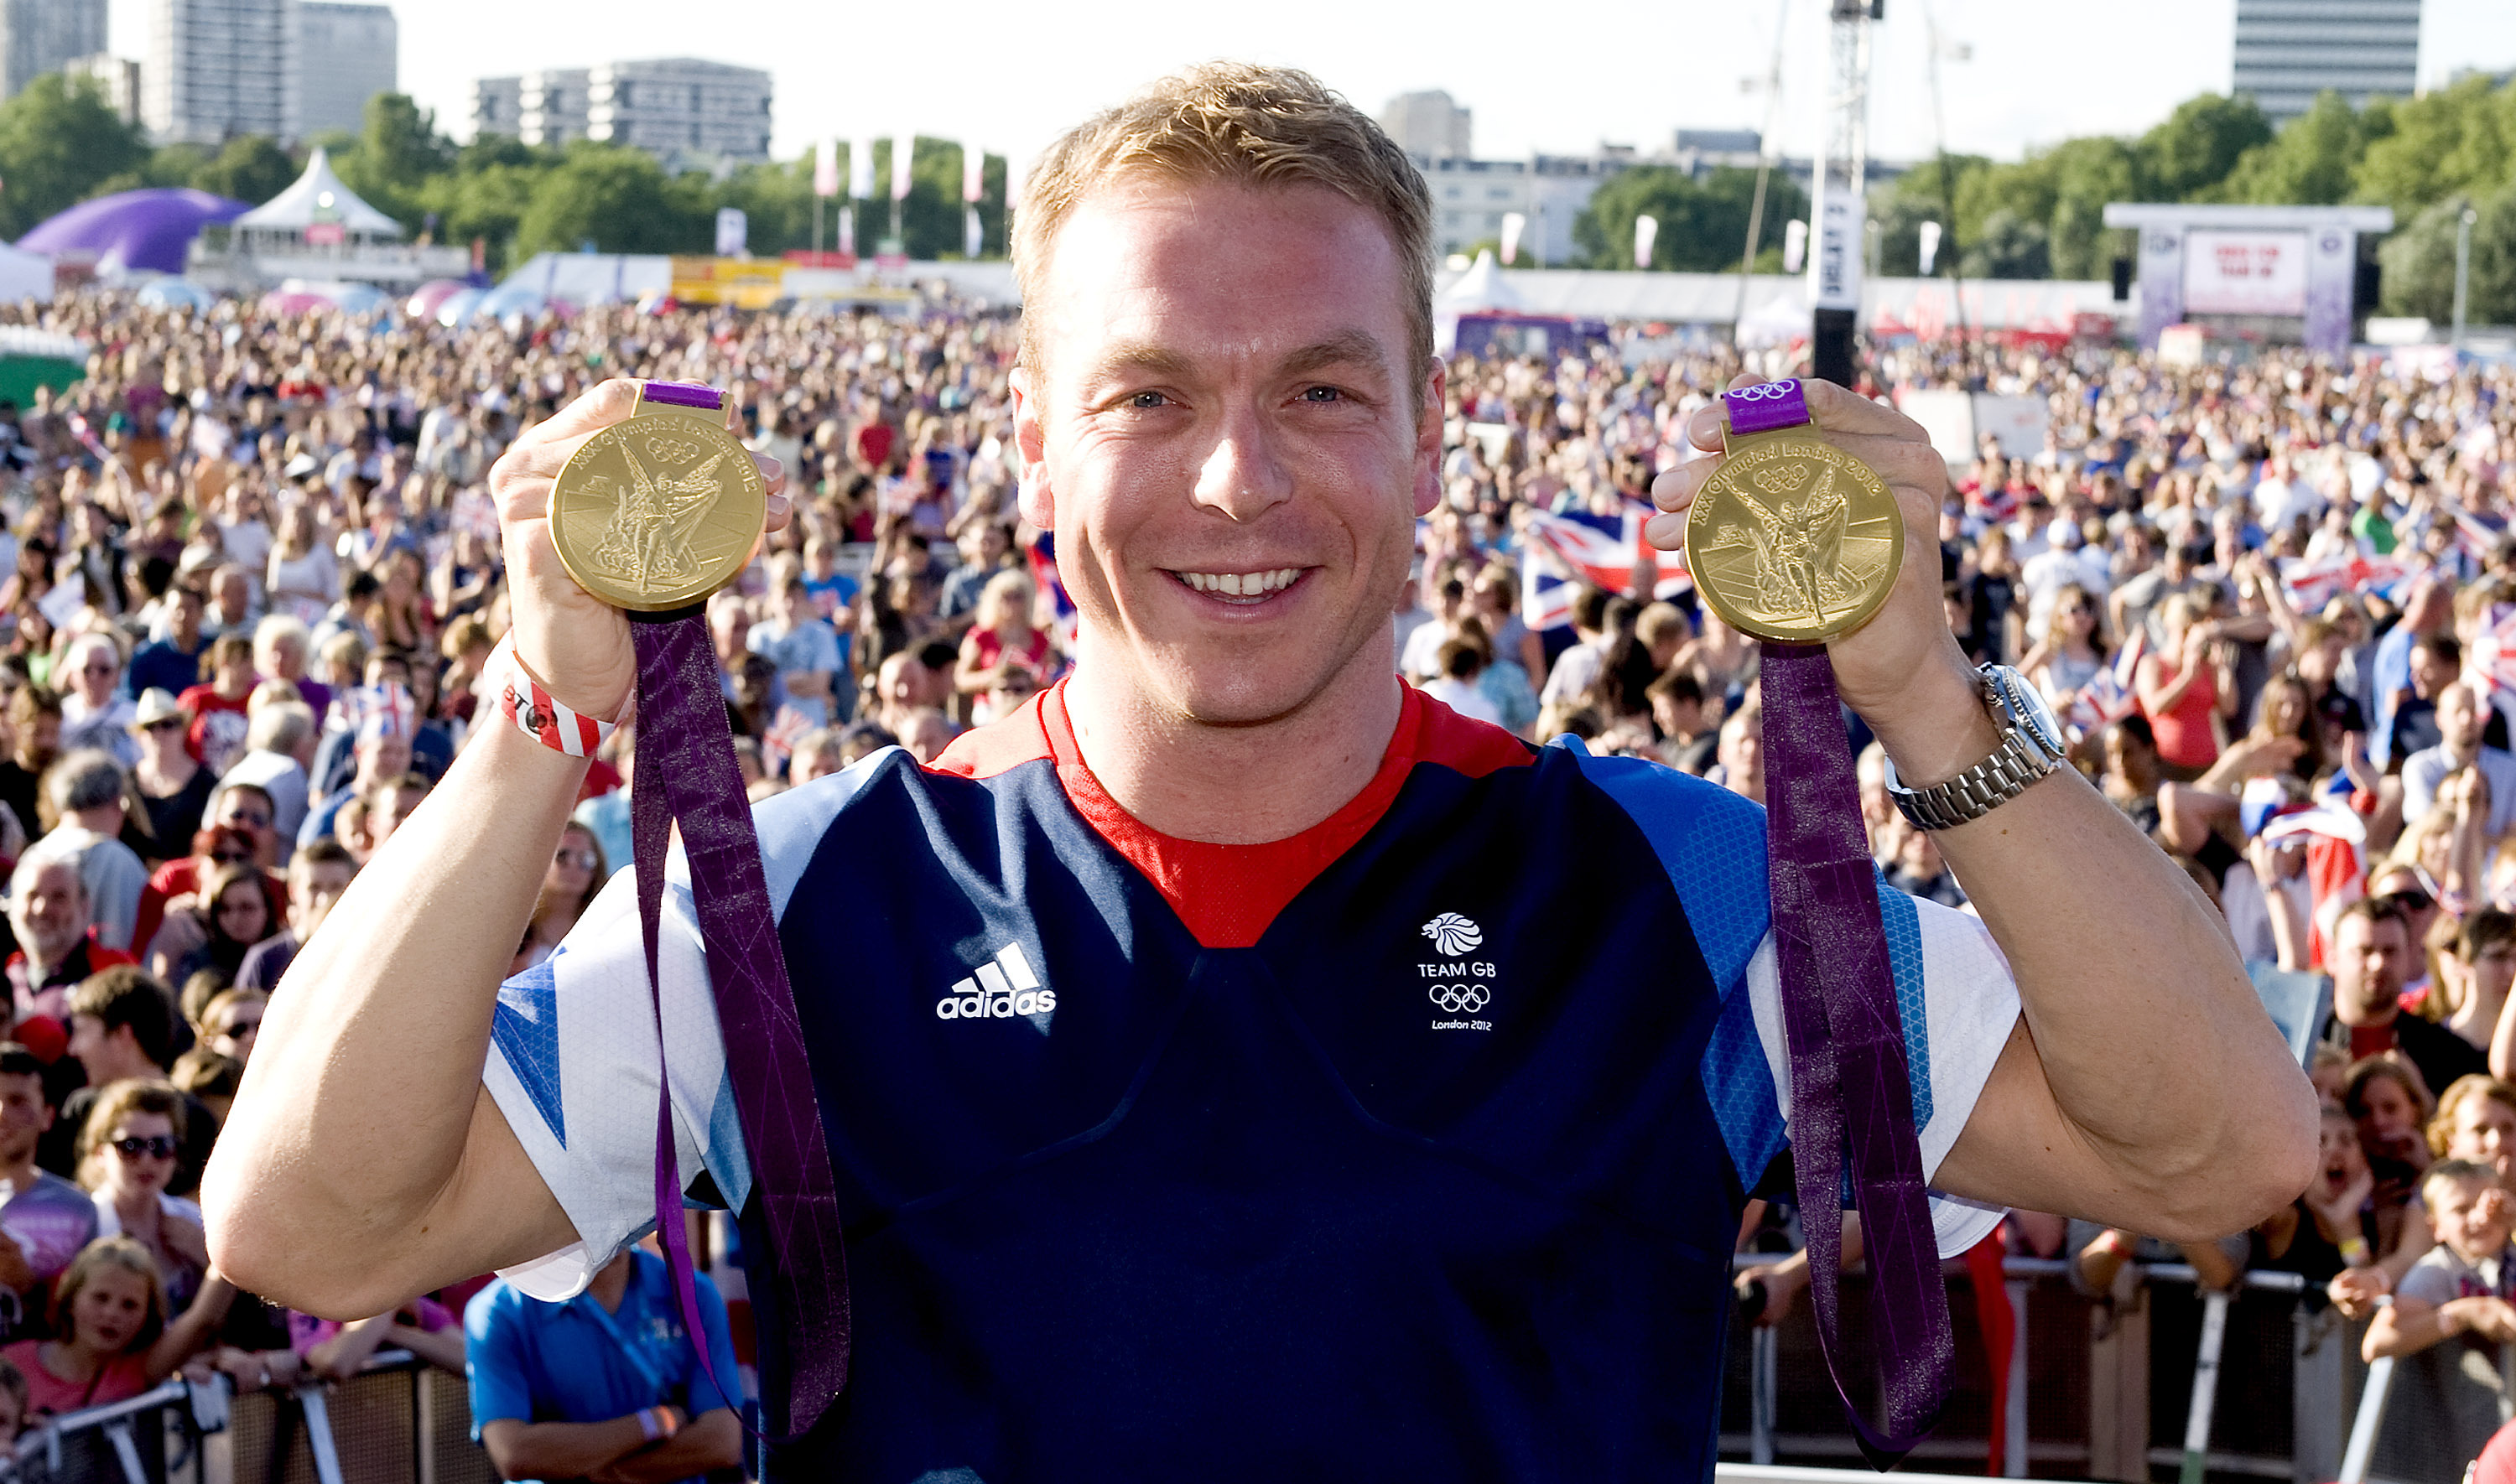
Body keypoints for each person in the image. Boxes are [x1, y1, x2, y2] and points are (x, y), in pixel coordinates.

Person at [212, 65, 2313, 1477]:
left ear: (1425, 430)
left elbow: (2213, 1152)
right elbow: (307, 1218)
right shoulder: (802, 897)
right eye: (1148, 392)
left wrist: (1928, 695)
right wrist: (527, 719)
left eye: (1319, 385)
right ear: (1031, 441)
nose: (1237, 476)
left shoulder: (1677, 886)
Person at [464, 1246, 744, 1484]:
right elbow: (515, 1453)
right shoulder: (497, 1311)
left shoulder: (693, 1292)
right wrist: (657, 1421)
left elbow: (722, 1442)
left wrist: (603, 1473)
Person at [2363, 1160, 2516, 1466]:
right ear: (2436, 1227)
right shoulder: (2439, 1269)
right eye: (2461, 1209)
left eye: (2488, 1205)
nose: (2479, 1218)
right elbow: (2377, 1343)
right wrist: (2463, 1314)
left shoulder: (2511, 1252)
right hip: (2472, 1436)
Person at [0, 1235, 231, 1419]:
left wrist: (236, 1242)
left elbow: (203, 1320)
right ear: (70, 1299)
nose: (112, 1314)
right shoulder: (11, 1362)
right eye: (100, 1298)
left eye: (130, 1305)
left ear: (146, 1317)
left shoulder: (143, 1366)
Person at [46, 973, 216, 1196]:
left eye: (81, 1031)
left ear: (122, 1034)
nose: (73, 1049)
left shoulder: (197, 1121)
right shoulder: (80, 1110)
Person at [2324, 898, 2486, 1104]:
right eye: (2364, 951)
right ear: (2333, 960)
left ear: (2408, 958)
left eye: (2390, 951)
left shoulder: (2447, 1053)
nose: (2378, 963)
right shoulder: (2303, 1045)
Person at [0, 1045, 99, 1331]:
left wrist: (30, 1286)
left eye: (18, 1101)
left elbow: (85, 1323)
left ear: (47, 1116)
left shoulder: (78, 1209)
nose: (3, 1112)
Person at [6, 842, 137, 1031]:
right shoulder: (10, 974)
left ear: (84, 907)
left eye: (59, 897)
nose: (42, 908)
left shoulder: (115, 974)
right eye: (32, 895)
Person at [39, 751, 148, 955]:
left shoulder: (34, 854)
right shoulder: (117, 859)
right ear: (118, 802)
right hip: (98, 980)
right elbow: (122, 942)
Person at [235, 841, 356, 994]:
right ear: (293, 892)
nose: (324, 898)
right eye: (314, 887)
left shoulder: (364, 953)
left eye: (336, 887)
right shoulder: (264, 961)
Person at [127, 689, 211, 869]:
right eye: (150, 727)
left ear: (183, 728)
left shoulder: (207, 783)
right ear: (140, 734)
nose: (159, 733)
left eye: (168, 724)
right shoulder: (126, 783)